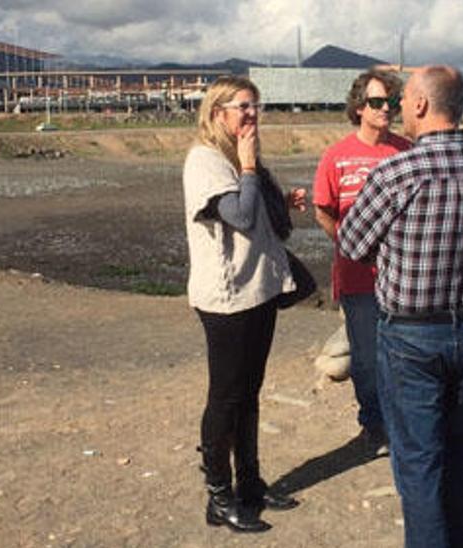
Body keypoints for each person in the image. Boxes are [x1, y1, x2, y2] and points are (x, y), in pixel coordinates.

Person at [338, 65, 463, 548]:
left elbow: (351, 242)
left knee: (417, 460)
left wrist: (389, 248)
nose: (394, 110)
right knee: (462, 450)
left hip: (411, 336)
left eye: (401, 99)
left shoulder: (397, 171)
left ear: (420, 105)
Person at [182, 75, 306, 533]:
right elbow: (239, 215)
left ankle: (251, 484)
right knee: (225, 398)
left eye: (256, 107)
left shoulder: (238, 156)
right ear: (218, 113)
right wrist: (250, 168)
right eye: (242, 107)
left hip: (259, 291)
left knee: (249, 394)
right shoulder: (205, 160)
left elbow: (264, 218)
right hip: (228, 298)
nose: (252, 115)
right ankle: (219, 496)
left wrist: (282, 200)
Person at [313, 69, 412, 459]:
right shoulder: (336, 156)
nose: (385, 108)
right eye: (376, 102)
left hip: (402, 277)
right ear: (359, 107)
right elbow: (323, 210)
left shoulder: (405, 150)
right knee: (367, 359)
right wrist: (348, 244)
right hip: (357, 278)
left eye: (390, 101)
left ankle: (403, 422)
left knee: (404, 354)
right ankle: (374, 424)